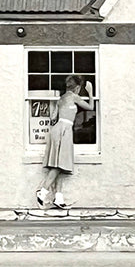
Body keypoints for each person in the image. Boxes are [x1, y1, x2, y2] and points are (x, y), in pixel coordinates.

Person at [37, 76, 94, 209]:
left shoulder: (61, 98)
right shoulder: (74, 97)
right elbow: (90, 107)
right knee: (59, 165)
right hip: (65, 129)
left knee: (59, 165)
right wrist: (90, 93)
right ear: (77, 87)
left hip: (57, 128)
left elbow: (53, 118)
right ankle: (43, 191)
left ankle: (59, 198)